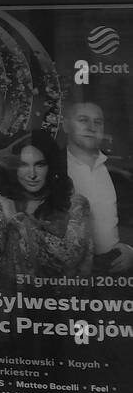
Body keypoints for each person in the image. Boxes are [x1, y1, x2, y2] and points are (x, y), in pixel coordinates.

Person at [0, 128, 92, 305]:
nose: (31, 174)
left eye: (40, 164)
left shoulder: (76, 205)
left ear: (52, 166)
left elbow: (67, 258)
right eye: (23, 165)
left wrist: (15, 218)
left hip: (58, 313)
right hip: (7, 312)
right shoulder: (1, 206)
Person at [62, 97, 133, 272]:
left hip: (112, 269)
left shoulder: (116, 173)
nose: (91, 127)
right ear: (65, 125)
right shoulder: (51, 168)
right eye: (83, 120)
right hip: (66, 274)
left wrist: (131, 248)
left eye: (97, 122)